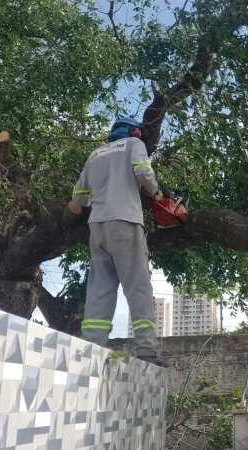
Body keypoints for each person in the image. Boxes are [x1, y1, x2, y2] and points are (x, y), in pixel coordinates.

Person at [71, 117, 163, 364]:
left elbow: (78, 197)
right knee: (138, 286)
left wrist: (89, 202)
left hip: (97, 227)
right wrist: (156, 193)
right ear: (133, 131)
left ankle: (91, 347)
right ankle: (146, 349)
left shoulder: (95, 154)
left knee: (100, 289)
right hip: (124, 220)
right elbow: (144, 173)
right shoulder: (134, 144)